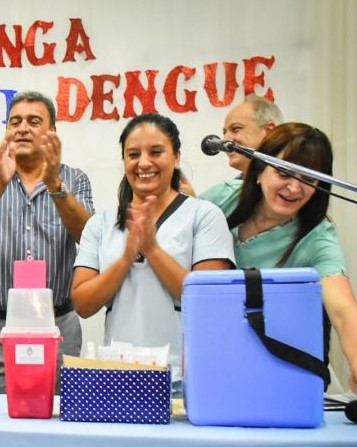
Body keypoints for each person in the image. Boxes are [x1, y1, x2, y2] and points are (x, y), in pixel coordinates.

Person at [203, 122, 357, 397]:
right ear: (259, 171)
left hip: (277, 369)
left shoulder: (318, 237)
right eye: (284, 172)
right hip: (213, 353)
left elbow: (343, 309)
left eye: (308, 179)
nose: (294, 187)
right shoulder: (224, 197)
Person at [71, 113, 235, 380]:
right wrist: (125, 259)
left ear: (177, 157)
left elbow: (208, 301)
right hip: (118, 374)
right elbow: (83, 304)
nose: (144, 162)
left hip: (184, 377)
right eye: (133, 154)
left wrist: (152, 250)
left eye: (156, 152)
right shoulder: (100, 224)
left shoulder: (204, 215)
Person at [0, 90, 94, 398]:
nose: (22, 128)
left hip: (57, 323)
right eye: (15, 121)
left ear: (52, 131)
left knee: (59, 412)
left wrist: (55, 185)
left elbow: (87, 237)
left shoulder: (75, 179)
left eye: (33, 121)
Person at [195, 94, 283, 198]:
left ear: (269, 131)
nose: (225, 139)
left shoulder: (296, 181)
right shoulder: (227, 195)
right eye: (224, 132)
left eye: (236, 129)